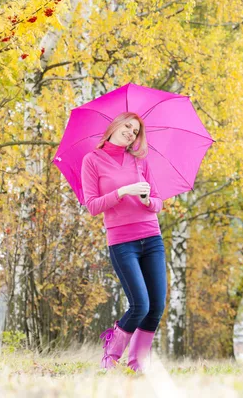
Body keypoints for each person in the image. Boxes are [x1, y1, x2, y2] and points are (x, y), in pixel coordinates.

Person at [80, 112, 166, 373]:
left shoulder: (140, 161)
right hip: (122, 241)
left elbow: (158, 201)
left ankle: (137, 365)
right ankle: (111, 355)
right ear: (115, 126)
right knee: (140, 304)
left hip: (151, 237)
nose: (131, 132)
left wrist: (147, 201)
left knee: (156, 307)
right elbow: (92, 206)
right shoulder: (92, 161)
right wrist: (121, 192)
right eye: (127, 126)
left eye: (136, 130)